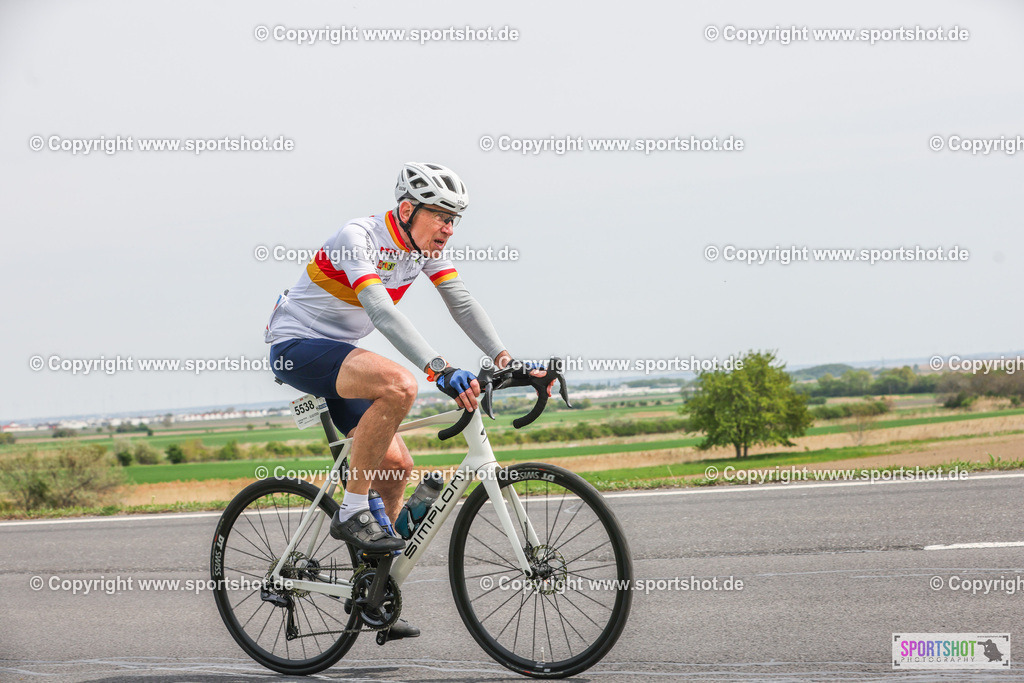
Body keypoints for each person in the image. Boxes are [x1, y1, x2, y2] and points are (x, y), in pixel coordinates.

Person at [264, 162, 522, 638]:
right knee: (400, 385)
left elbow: (461, 301)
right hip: (296, 346)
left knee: (397, 469)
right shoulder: (357, 237)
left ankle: (372, 587)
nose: (448, 228)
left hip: (340, 355)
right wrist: (439, 368)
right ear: (407, 209)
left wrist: (505, 360)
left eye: (454, 220)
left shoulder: (422, 249)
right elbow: (380, 310)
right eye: (441, 216)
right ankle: (350, 511)